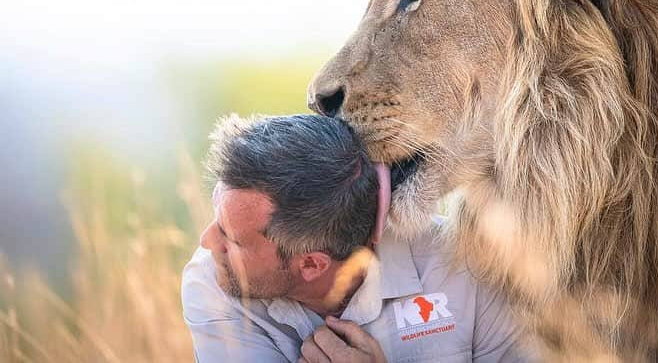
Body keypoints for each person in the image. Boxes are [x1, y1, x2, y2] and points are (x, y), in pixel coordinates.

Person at [181, 113, 537, 362]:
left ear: (312, 264)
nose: (207, 241)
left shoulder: (467, 267)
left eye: (232, 238)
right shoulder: (211, 282)